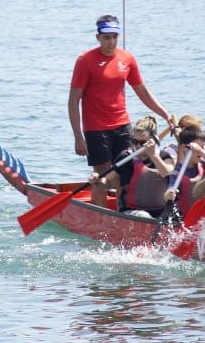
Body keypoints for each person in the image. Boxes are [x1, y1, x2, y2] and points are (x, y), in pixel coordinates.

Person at [68, 14, 176, 210]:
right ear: (98, 37)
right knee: (101, 180)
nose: (111, 42)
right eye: (107, 37)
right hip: (96, 130)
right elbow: (73, 100)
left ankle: (122, 215)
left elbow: (142, 91)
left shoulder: (127, 59)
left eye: (114, 37)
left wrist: (165, 114)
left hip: (122, 126)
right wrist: (78, 137)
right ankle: (99, 222)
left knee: (124, 175)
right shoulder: (85, 60)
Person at [115, 116, 174, 218]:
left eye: (143, 143)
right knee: (143, 216)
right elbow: (108, 182)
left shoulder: (164, 156)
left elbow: (168, 174)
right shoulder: (126, 157)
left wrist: (154, 155)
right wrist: (100, 181)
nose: (138, 146)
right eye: (135, 141)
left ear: (153, 140)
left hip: (160, 211)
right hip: (132, 211)